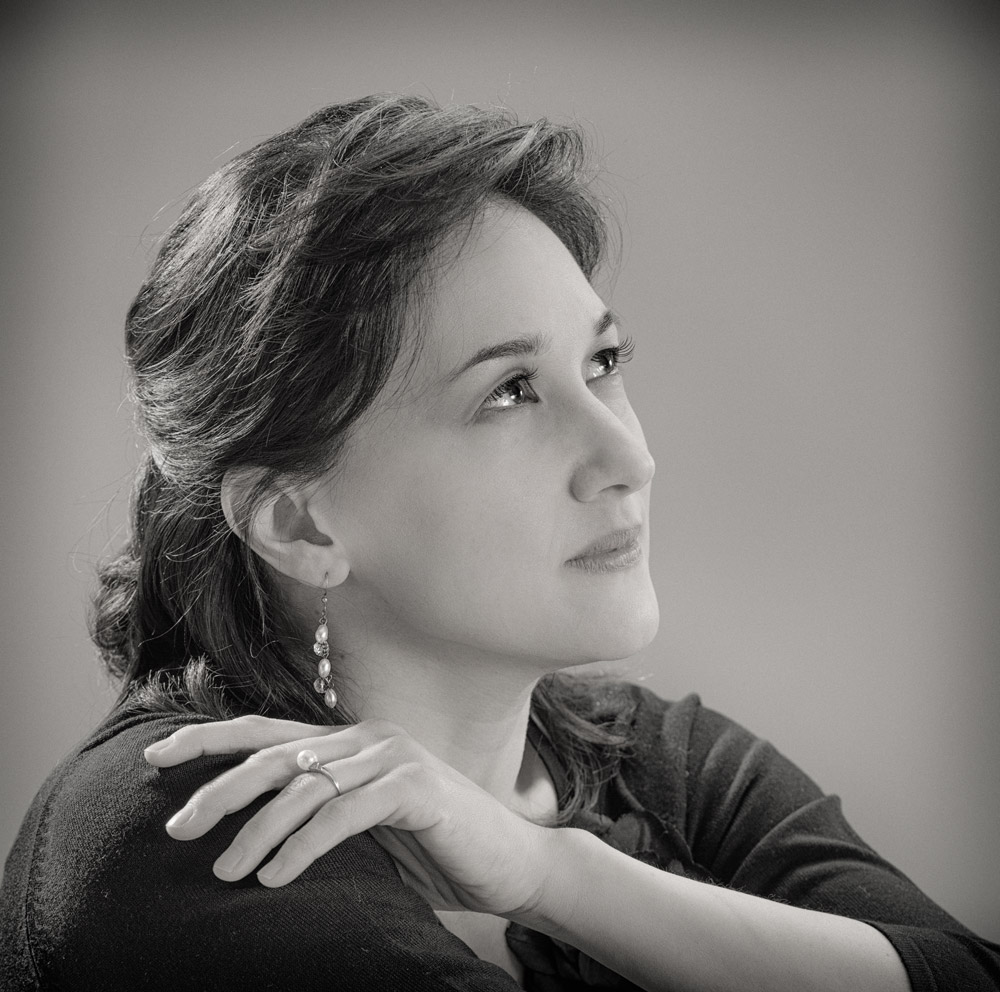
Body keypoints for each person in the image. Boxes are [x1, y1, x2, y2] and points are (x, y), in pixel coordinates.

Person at [1, 94, 997, 992]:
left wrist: (551, 873)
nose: (629, 457)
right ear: (300, 522)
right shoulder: (192, 820)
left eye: (602, 361)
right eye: (510, 391)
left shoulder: (666, 765)